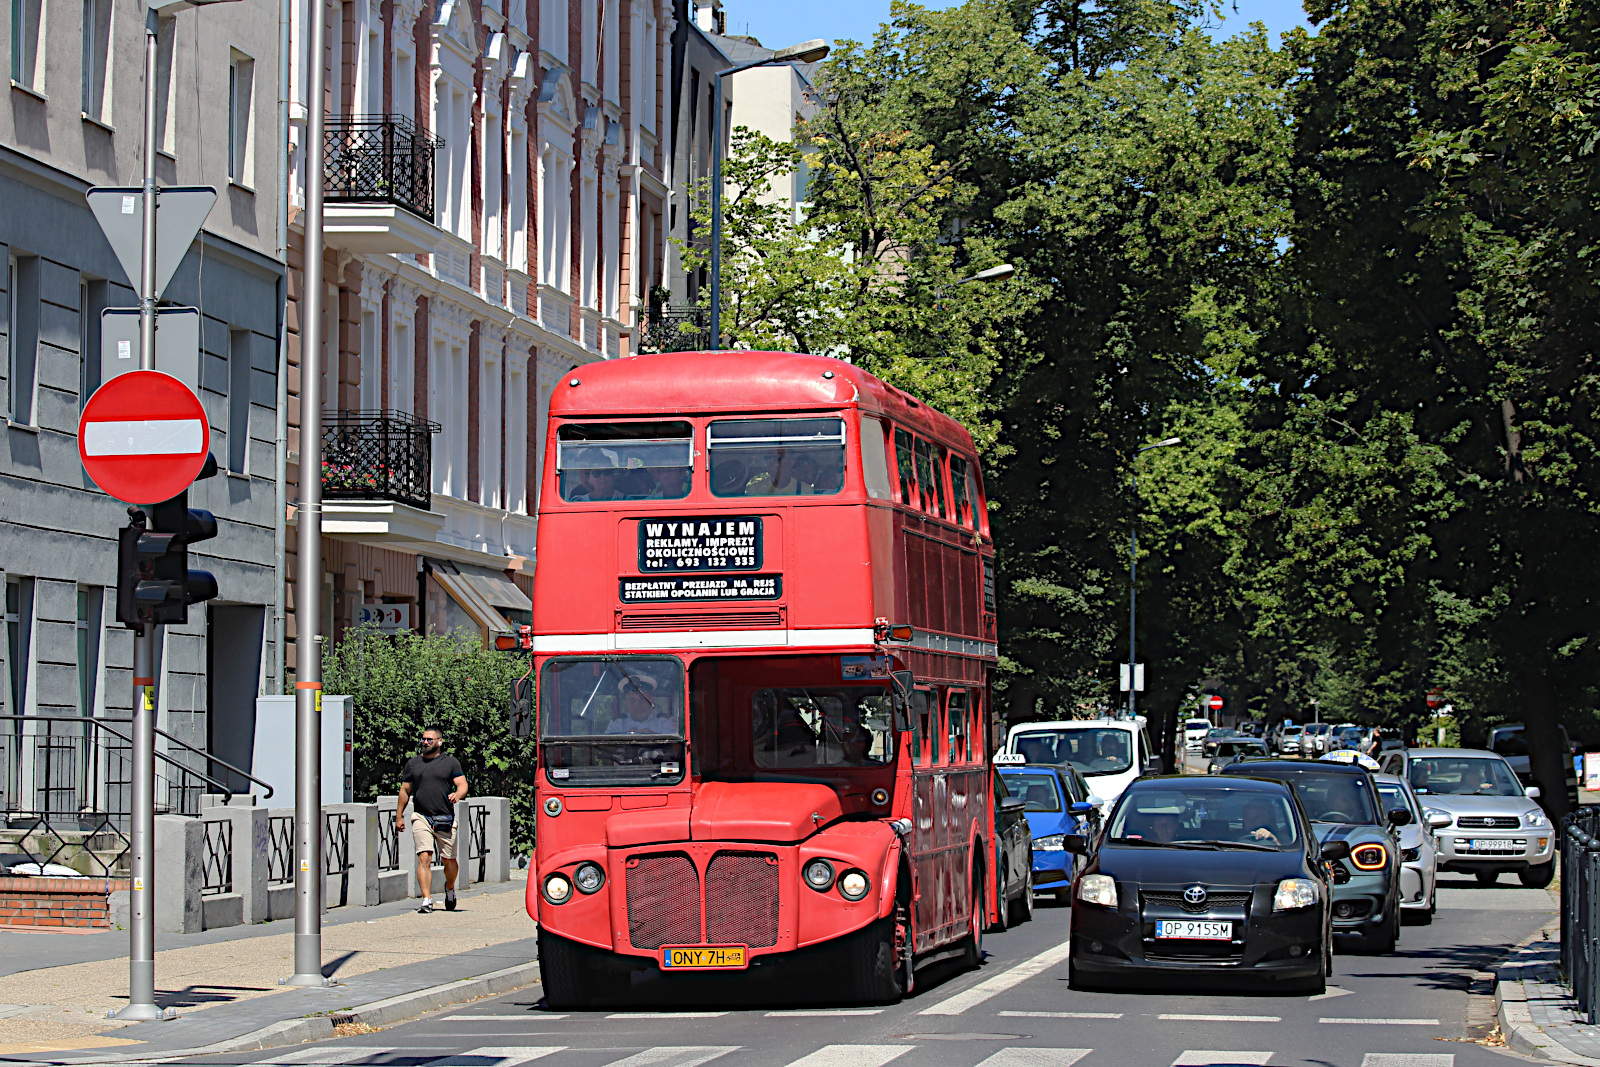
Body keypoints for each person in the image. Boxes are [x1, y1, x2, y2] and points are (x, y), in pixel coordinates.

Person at [396, 726, 468, 914]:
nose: (426, 742)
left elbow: (462, 785)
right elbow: (405, 790)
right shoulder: (413, 764)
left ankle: (450, 888)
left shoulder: (450, 762)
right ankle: (426, 900)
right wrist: (399, 815)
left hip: (445, 817)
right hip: (421, 816)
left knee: (449, 861)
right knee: (424, 856)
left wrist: (458, 795)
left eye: (430, 739)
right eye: (424, 739)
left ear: (439, 742)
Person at [604, 677, 679, 735]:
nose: (637, 705)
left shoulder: (665, 721)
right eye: (632, 700)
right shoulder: (618, 722)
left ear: (652, 700)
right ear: (625, 702)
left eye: (643, 699)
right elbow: (605, 746)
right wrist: (624, 737)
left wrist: (654, 737)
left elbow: (676, 748)